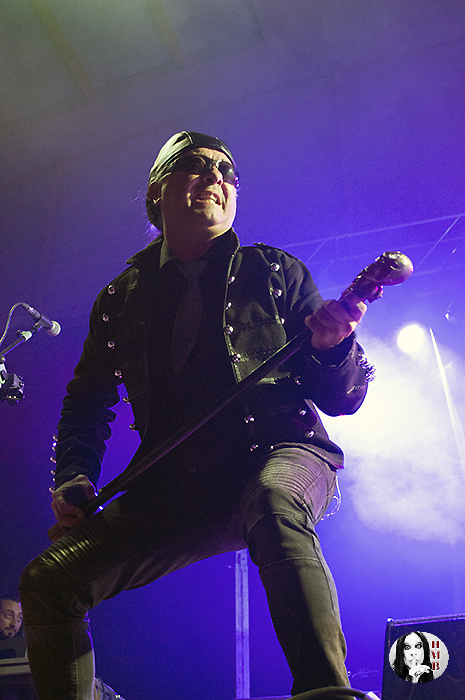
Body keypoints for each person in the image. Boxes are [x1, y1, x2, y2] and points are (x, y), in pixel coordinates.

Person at [19, 131, 372, 700]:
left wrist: (334, 349)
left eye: (227, 172)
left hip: (283, 452)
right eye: (196, 165)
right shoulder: (118, 299)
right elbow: (86, 401)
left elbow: (343, 399)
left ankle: (326, 693)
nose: (216, 177)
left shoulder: (274, 271)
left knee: (273, 501)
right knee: (48, 580)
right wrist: (74, 475)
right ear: (156, 191)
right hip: (178, 483)